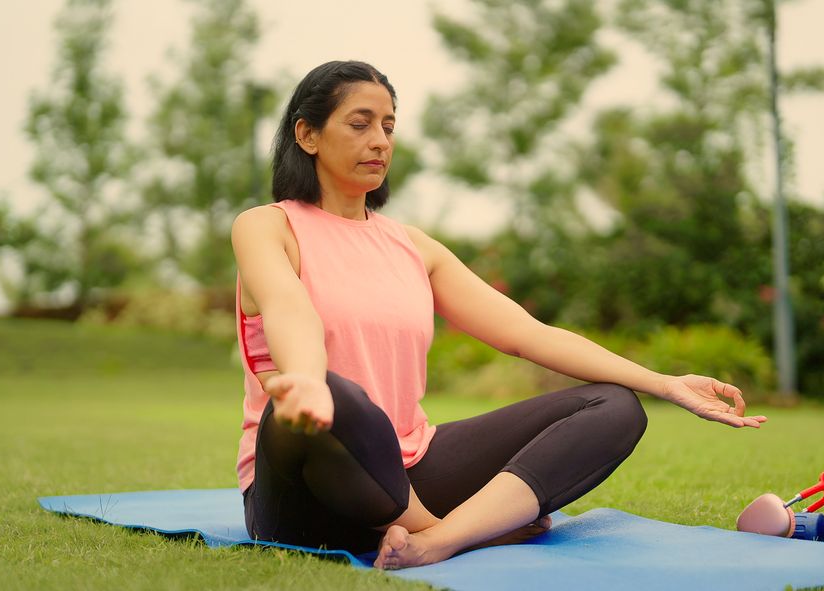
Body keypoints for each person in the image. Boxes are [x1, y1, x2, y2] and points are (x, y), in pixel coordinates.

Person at [232, 60, 768, 570]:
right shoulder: (267, 226)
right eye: (360, 124)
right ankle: (455, 528)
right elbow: (289, 309)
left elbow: (526, 334)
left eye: (389, 127)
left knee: (614, 406)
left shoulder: (413, 247)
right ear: (307, 135)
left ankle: (442, 538)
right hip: (303, 492)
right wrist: (307, 383)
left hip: (406, 470)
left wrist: (664, 383)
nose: (380, 141)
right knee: (339, 397)